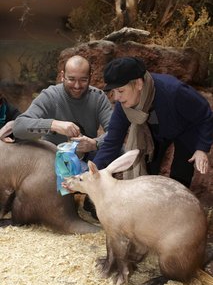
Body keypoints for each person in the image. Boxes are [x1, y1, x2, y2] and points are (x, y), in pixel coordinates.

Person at [13, 55, 113, 218]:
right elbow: (19, 126)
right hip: (53, 159)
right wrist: (54, 124)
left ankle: (92, 201)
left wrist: (94, 143)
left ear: (91, 77)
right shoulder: (50, 95)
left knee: (119, 150)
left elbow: (115, 133)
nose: (77, 86)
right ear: (62, 76)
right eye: (71, 79)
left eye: (83, 80)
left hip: (88, 161)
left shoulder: (98, 97)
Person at [93, 56, 213, 188]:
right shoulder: (124, 106)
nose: (116, 97)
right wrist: (92, 173)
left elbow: (205, 115)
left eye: (120, 91)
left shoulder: (174, 91)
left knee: (181, 173)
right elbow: (112, 143)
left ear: (139, 84)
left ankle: (175, 204)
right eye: (113, 92)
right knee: (148, 168)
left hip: (186, 128)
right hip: (154, 133)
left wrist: (202, 148)